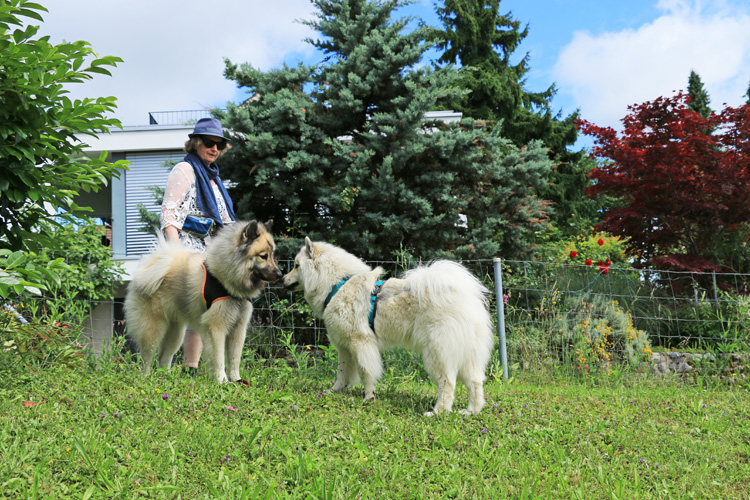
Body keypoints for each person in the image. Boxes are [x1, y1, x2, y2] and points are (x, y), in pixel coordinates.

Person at [161, 117, 236, 375]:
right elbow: (169, 215)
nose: (214, 148)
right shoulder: (185, 170)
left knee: (204, 311)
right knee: (174, 315)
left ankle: (190, 369)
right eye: (208, 142)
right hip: (186, 251)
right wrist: (175, 256)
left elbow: (226, 222)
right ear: (195, 143)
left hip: (209, 254)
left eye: (219, 144)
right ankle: (161, 369)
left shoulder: (214, 179)